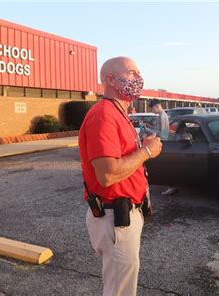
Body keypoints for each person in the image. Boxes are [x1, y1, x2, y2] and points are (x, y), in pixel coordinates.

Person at [79, 56, 162, 296]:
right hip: (114, 218)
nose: (138, 77)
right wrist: (147, 151)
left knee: (122, 286)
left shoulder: (119, 113)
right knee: (120, 291)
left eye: (139, 72)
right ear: (110, 79)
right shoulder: (104, 115)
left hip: (123, 215)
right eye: (132, 72)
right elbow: (107, 175)